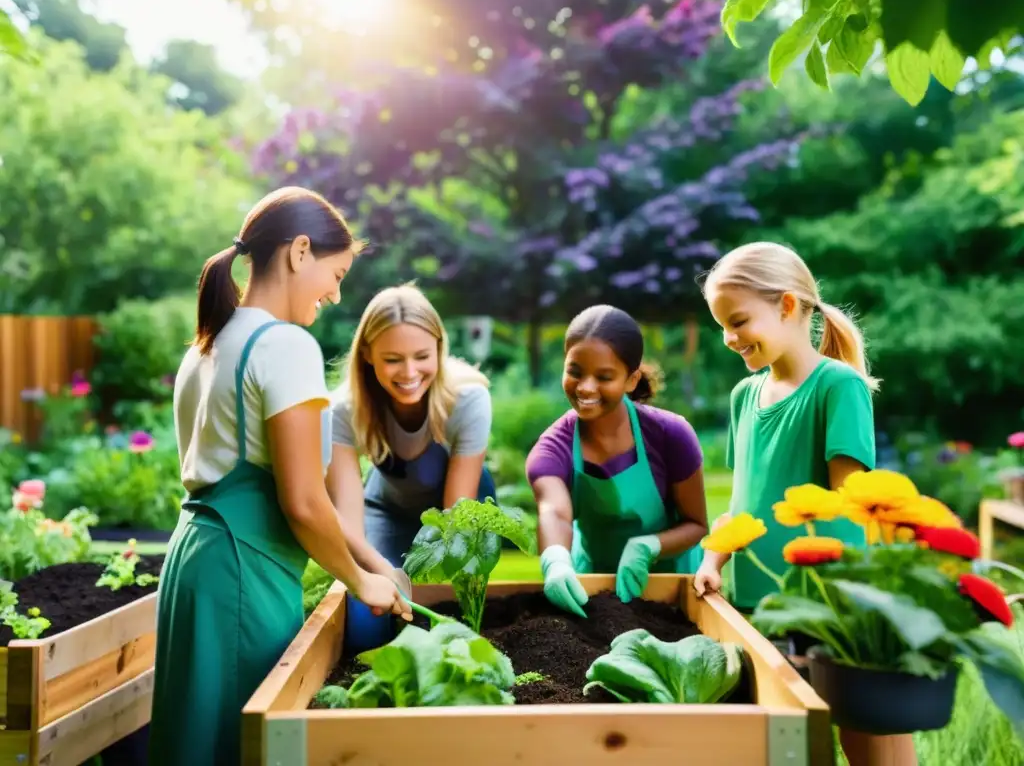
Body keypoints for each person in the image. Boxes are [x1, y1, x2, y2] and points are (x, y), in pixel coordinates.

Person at [149, 187, 411, 766]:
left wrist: (374, 563)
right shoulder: (286, 345)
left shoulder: (207, 344)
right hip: (247, 572)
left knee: (193, 741)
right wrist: (358, 581)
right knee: (249, 747)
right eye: (335, 273)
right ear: (298, 252)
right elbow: (301, 500)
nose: (336, 293)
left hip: (197, 565)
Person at [692, 242, 906, 766]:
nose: (729, 338)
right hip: (758, 607)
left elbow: (850, 505)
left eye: (738, 320)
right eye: (721, 324)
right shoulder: (745, 396)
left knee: (866, 737)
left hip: (827, 606)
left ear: (788, 306)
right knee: (791, 748)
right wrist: (713, 558)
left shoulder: (839, 387)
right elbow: (744, 505)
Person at [327, 284, 496, 652]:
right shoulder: (342, 411)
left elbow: (457, 512)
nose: (409, 372)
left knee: (451, 616)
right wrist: (383, 572)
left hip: (457, 513)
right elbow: (348, 523)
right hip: (387, 510)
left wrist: (430, 580)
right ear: (368, 354)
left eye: (422, 356)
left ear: (439, 347)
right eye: (392, 359)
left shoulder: (468, 400)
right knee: (365, 628)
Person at [527, 305, 709, 616]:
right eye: (575, 371)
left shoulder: (671, 435)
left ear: (631, 379)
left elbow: (696, 524)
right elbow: (555, 512)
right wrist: (556, 560)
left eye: (604, 376)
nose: (585, 386)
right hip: (595, 592)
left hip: (672, 589)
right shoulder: (553, 447)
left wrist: (648, 546)